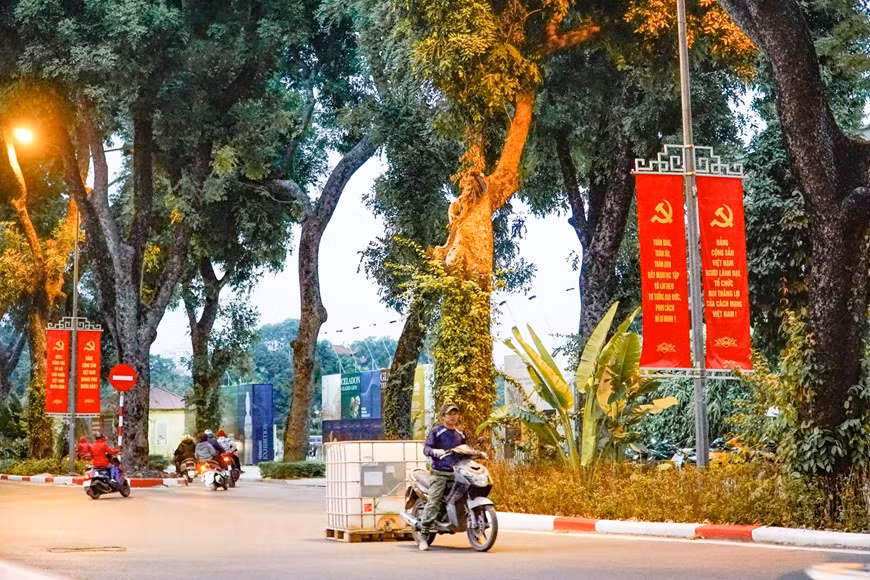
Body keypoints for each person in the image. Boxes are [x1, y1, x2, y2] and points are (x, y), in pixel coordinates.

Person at [418, 402, 466, 551]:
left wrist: (479, 453)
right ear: (443, 416)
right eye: (450, 414)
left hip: (457, 473)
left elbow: (466, 449)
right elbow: (426, 448)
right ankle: (424, 535)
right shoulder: (436, 431)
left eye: (455, 413)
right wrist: (435, 452)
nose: (453, 416)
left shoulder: (461, 433)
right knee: (434, 501)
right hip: (439, 473)